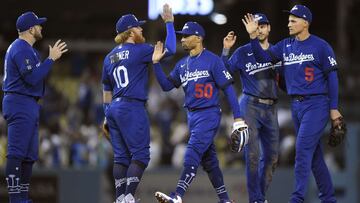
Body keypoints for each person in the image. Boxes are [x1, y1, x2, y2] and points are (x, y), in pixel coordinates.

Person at [242, 5, 342, 203]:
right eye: (288, 20)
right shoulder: (285, 45)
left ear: (305, 23)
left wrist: (334, 108)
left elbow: (332, 78)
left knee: (303, 151)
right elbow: (263, 57)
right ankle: (329, 198)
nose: (289, 23)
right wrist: (253, 37)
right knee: (314, 157)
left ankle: (296, 199)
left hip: (317, 104)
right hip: (296, 106)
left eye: (294, 20)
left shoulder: (321, 46)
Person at [152, 21, 249, 203]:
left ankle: (177, 195)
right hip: (192, 116)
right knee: (210, 162)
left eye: (186, 36)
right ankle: (225, 200)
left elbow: (228, 89)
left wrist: (238, 118)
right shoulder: (182, 64)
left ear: (198, 38)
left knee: (192, 153)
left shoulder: (212, 60)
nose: (182, 39)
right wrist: (156, 63)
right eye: (182, 36)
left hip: (209, 114)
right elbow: (166, 86)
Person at [101, 4, 176, 203]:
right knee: (141, 155)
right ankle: (128, 197)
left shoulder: (109, 58)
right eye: (138, 27)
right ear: (131, 32)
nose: (141, 29)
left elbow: (106, 88)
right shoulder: (139, 50)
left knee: (121, 158)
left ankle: (119, 198)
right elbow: (171, 49)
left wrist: (106, 113)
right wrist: (169, 24)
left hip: (113, 108)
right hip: (131, 106)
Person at [2, 11, 68, 203]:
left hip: (28, 103)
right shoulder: (21, 48)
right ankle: (15, 199)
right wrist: (51, 59)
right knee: (17, 152)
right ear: (31, 29)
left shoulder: (28, 49)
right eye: (38, 25)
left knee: (29, 154)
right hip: (19, 101)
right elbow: (32, 78)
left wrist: (48, 60)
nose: (41, 27)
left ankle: (22, 197)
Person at [222, 13, 280, 203]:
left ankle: (259, 197)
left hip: (271, 108)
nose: (259, 28)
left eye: (262, 25)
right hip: (250, 105)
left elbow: (282, 74)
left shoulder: (276, 51)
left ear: (269, 28)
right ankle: (255, 199)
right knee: (253, 155)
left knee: (272, 158)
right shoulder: (242, 51)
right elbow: (224, 75)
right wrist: (225, 51)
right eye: (256, 25)